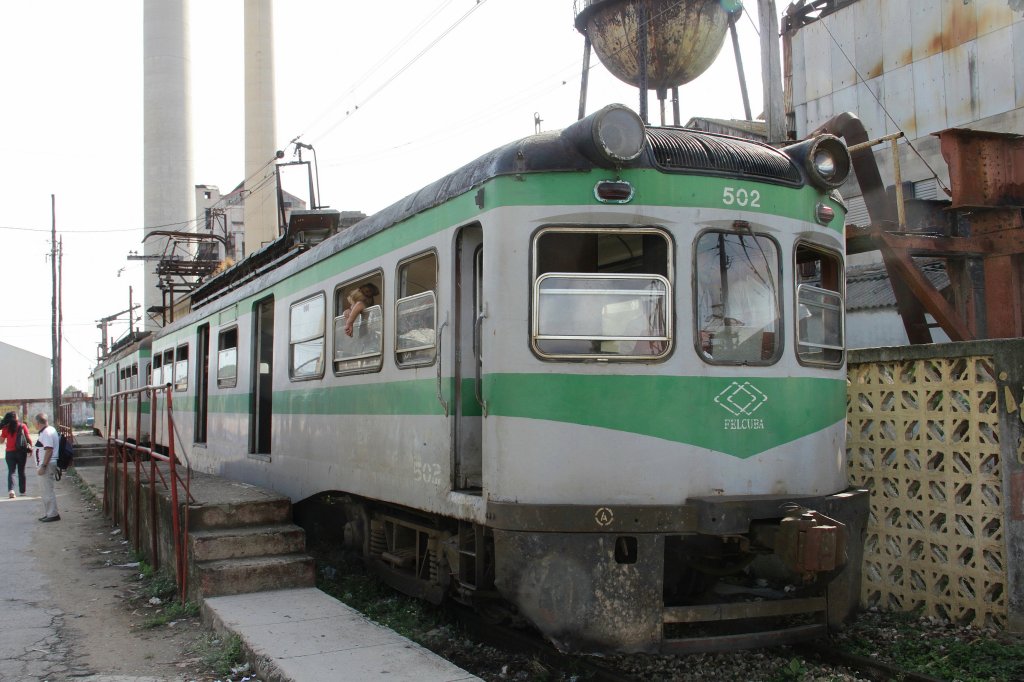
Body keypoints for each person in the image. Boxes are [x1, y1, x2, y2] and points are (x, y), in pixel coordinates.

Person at [33, 413, 60, 522]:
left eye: (34, 422)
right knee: (46, 490)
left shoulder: (46, 433)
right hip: (49, 463)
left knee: (47, 491)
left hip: (47, 464)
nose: (34, 424)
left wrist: (43, 466)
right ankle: (49, 513)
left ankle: (52, 514)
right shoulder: (50, 429)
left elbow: (49, 450)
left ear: (38, 423)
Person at [2, 411, 32, 499]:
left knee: (11, 471)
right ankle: (22, 491)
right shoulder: (22, 426)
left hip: (9, 453)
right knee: (21, 471)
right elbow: (28, 438)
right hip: (21, 452)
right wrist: (30, 448)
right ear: (16, 418)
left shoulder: (6, 428)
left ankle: (11, 490)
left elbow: (1, 440)